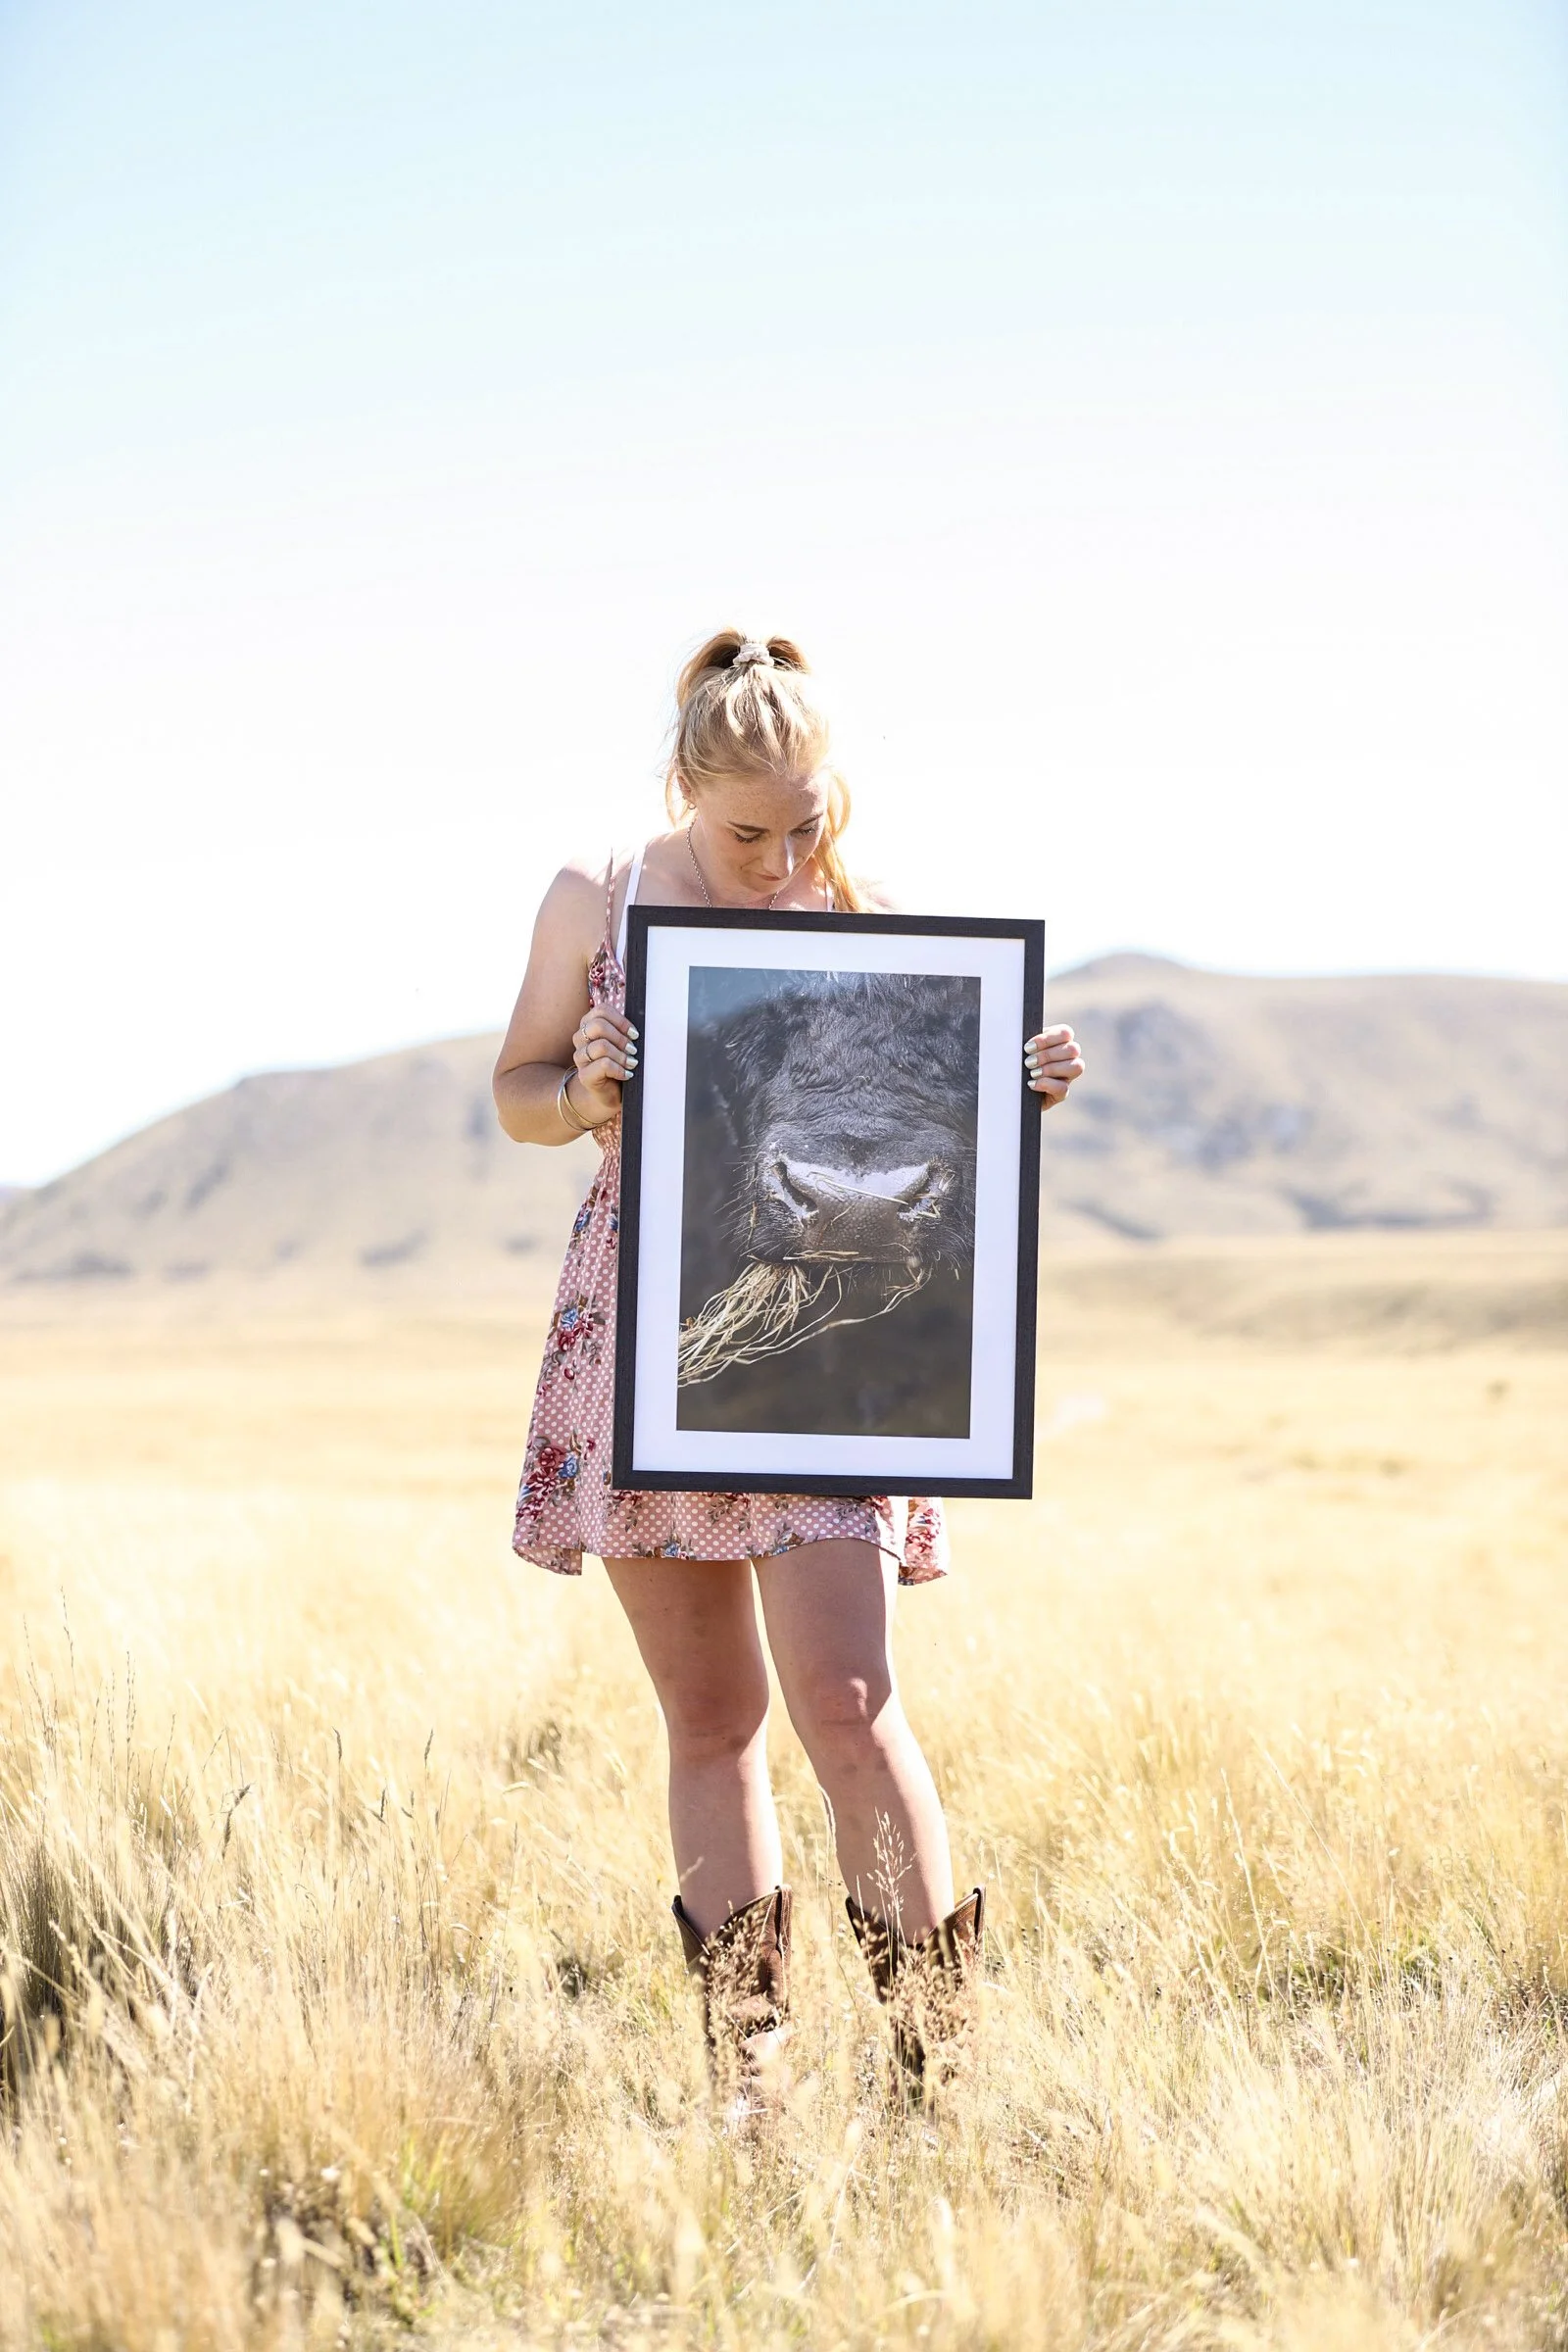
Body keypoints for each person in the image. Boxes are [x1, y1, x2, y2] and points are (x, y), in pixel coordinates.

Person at [493, 630, 1085, 2107]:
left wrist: (1021, 1090)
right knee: (711, 1720)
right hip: (652, 1342)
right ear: (683, 784)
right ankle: (747, 2082)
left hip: (836, 1355)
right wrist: (584, 1093)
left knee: (846, 1699)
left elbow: (932, 1137)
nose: (778, 856)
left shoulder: (871, 910)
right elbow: (515, 1093)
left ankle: (937, 2073)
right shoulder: (601, 896)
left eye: (805, 821)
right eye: (748, 828)